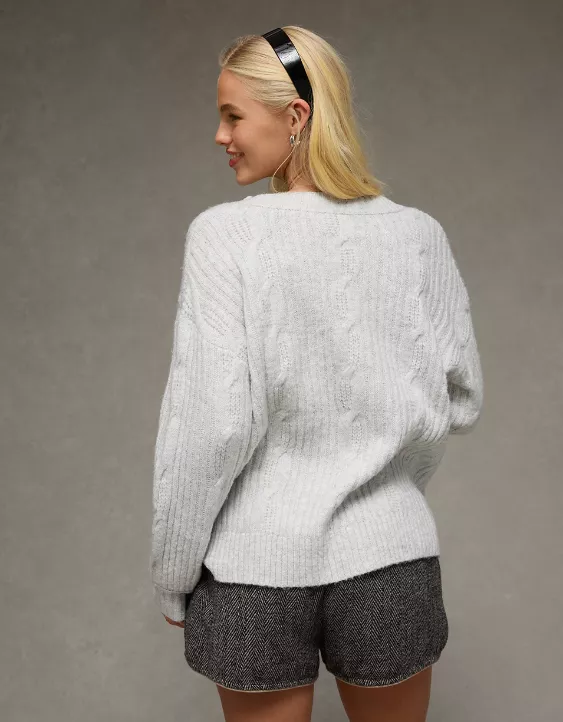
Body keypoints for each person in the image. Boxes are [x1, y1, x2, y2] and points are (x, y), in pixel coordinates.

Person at [150, 25, 484, 722]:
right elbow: (459, 398)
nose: (220, 135)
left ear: (295, 116)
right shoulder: (418, 235)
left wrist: (173, 570)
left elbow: (211, 426)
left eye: (233, 115)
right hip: (391, 560)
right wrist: (381, 480)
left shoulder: (225, 236)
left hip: (253, 572)